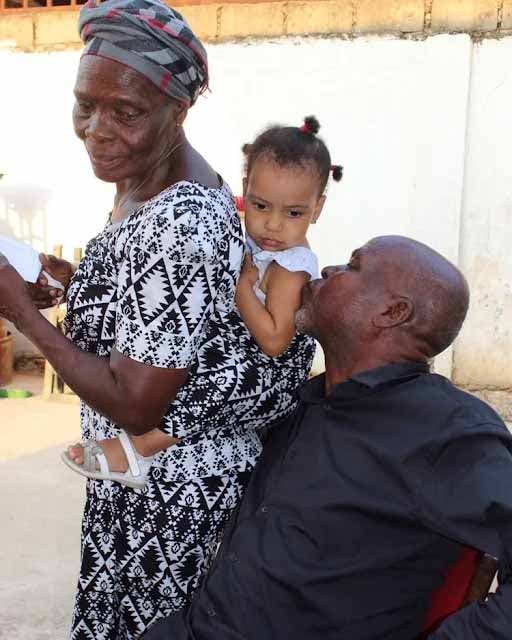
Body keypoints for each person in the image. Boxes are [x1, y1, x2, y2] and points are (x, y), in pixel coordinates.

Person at [0, 0, 315, 637]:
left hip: (171, 501)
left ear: (179, 110)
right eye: (85, 104)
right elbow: (147, 303)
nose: (95, 129)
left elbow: (136, 402)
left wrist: (21, 318)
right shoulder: (146, 182)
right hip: (140, 485)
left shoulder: (180, 221)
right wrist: (59, 279)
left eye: (127, 112)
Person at [143, 235, 512, 640]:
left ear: (392, 312)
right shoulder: (309, 401)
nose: (329, 270)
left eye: (353, 266)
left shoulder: (446, 430)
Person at [61, 115, 342, 486]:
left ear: (317, 209)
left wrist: (241, 289)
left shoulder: (291, 265)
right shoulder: (248, 238)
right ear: (245, 190)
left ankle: (141, 448)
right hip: (248, 351)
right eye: (260, 206)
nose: (273, 225)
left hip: (273, 369)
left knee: (215, 378)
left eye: (293, 213)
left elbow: (274, 342)